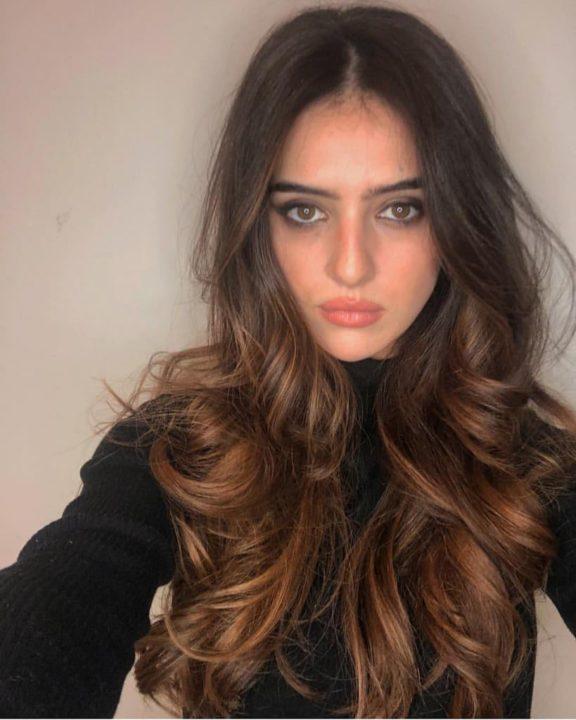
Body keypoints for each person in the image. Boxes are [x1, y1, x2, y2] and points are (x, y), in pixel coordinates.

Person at [1, 3, 576, 718]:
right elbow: (64, 598)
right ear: (257, 225)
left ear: (458, 220)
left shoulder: (524, 459)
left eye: (400, 209)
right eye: (305, 210)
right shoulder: (180, 447)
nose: (350, 265)